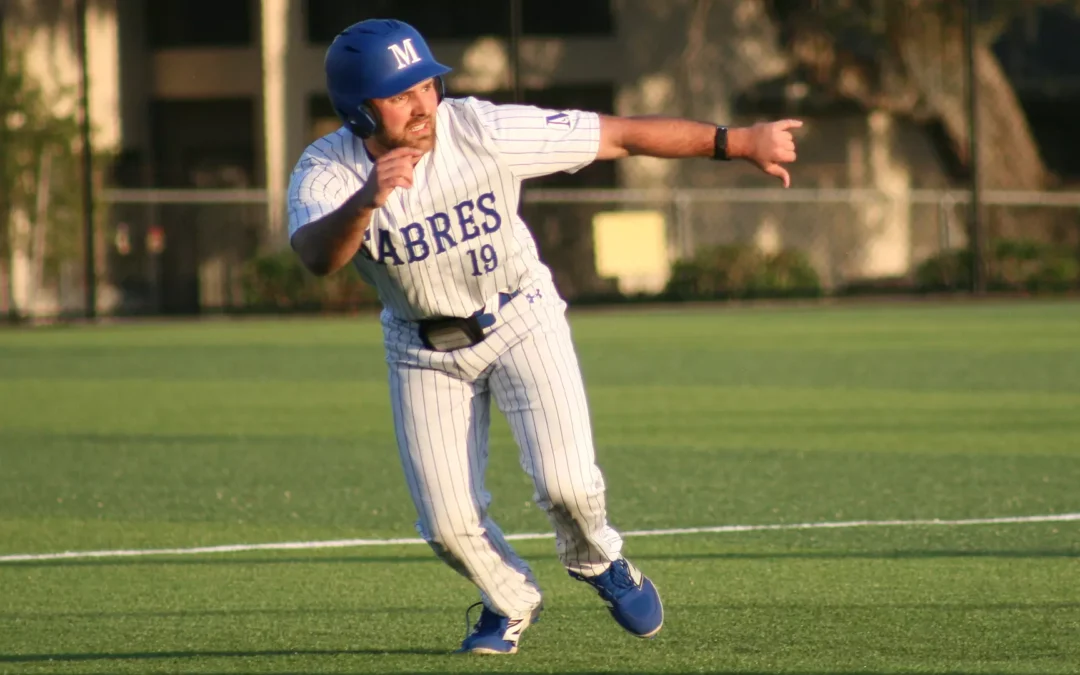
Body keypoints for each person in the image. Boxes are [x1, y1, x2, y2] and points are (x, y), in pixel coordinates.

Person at [287, 18, 800, 655]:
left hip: (519, 315)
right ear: (359, 115)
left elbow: (619, 136)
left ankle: (598, 560)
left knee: (568, 486)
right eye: (400, 95)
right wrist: (366, 200)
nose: (423, 105)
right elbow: (315, 256)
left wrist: (737, 140)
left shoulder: (480, 129)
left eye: (426, 84)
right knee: (446, 525)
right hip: (421, 349)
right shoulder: (326, 170)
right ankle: (509, 602)